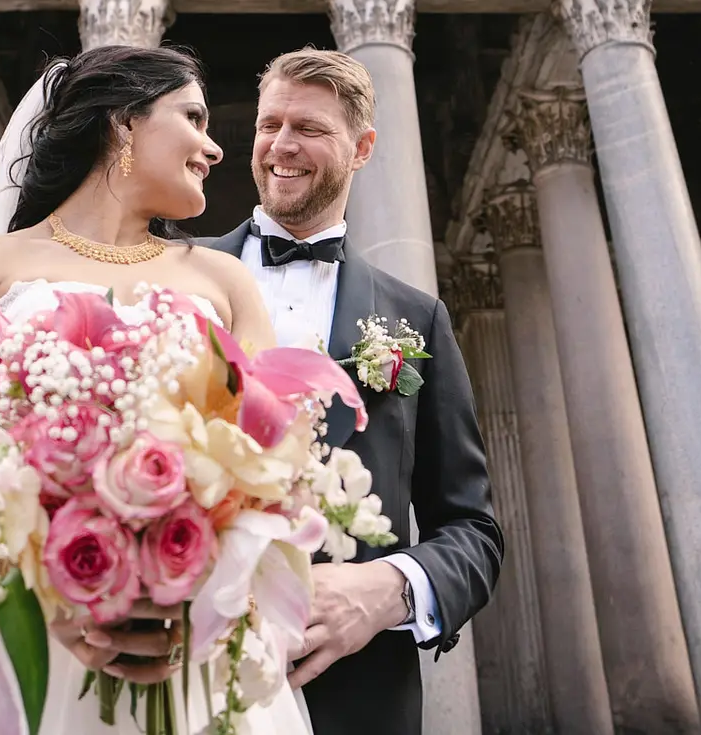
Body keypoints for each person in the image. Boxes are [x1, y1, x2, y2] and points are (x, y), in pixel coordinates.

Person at [0, 44, 311, 734]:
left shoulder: (226, 282)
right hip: (5, 678)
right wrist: (36, 598)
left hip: (192, 672)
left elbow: (279, 478)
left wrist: (194, 584)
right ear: (123, 120)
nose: (214, 148)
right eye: (192, 116)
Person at [201, 48, 501, 735]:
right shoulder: (174, 277)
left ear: (362, 147)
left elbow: (474, 531)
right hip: (177, 679)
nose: (282, 144)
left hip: (353, 699)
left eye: (309, 128)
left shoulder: (416, 317)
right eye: (269, 123)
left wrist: (390, 588)